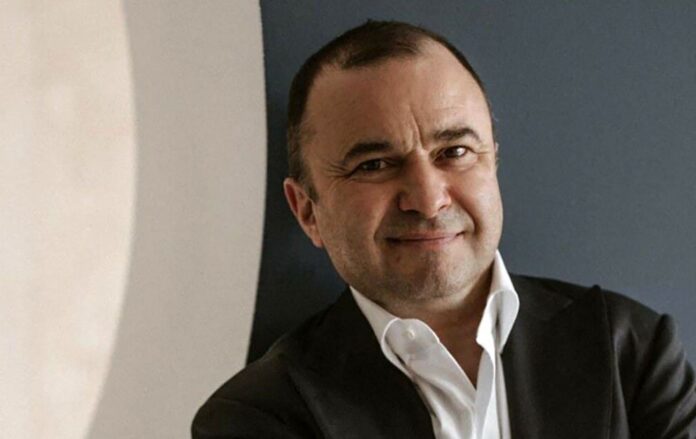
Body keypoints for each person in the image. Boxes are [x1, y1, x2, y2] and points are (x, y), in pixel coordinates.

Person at [192, 20, 696, 438]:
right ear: (307, 211)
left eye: (454, 152)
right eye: (374, 165)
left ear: (492, 163)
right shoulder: (254, 420)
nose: (428, 199)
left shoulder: (630, 351)